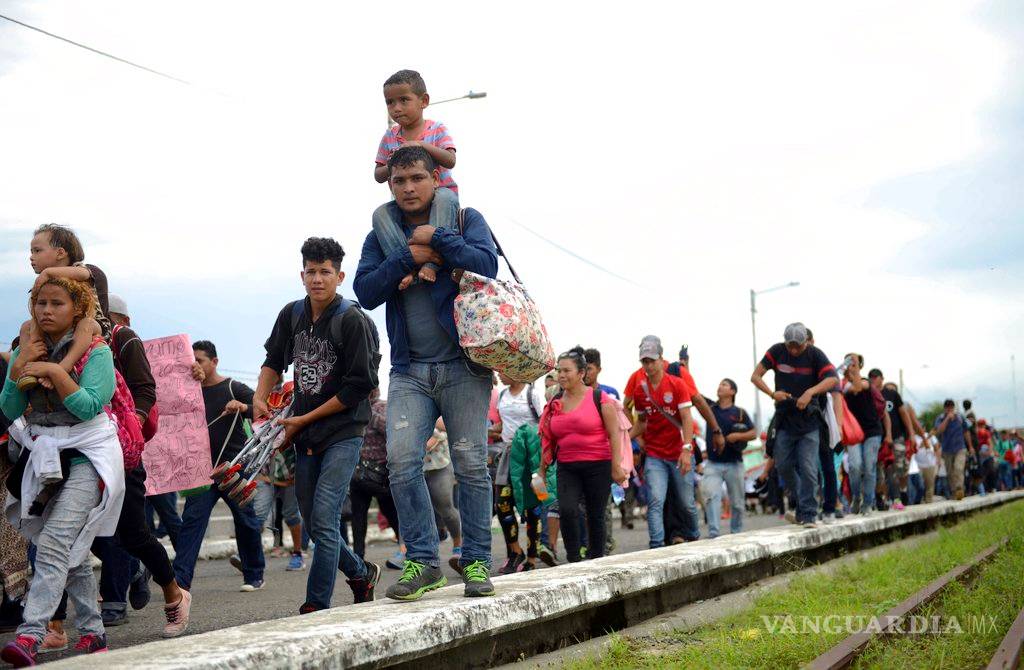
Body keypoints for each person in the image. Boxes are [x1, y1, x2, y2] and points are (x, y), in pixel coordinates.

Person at [354, 145, 498, 601]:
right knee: (399, 463)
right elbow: (365, 289)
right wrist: (407, 258)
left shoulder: (463, 217)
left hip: (464, 367)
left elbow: (487, 264)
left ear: (436, 178)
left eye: (417, 178)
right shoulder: (381, 234)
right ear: (390, 185)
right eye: (399, 181)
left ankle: (476, 561)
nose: (409, 187)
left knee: (472, 465)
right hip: (409, 371)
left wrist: (437, 241)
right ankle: (423, 562)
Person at [1, 277, 125, 664]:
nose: (47, 311)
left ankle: (30, 634)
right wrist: (20, 366)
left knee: (53, 542)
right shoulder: (28, 347)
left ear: (76, 310)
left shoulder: (97, 352)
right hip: (45, 457)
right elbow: (8, 409)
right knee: (64, 546)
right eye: (41, 303)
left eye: (57, 303)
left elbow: (89, 406)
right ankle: (92, 631)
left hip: (88, 457)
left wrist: (54, 372)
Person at [256, 237, 381, 613]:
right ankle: (360, 573)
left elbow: (361, 386)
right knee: (314, 523)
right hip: (303, 433)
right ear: (302, 275)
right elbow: (273, 360)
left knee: (324, 520)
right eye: (311, 271)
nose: (317, 279)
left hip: (343, 432)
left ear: (339, 276)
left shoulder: (352, 320)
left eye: (325, 272)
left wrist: (303, 418)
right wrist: (259, 400)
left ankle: (316, 605)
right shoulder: (291, 315)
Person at [86, 294, 191, 635]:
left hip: (121, 451)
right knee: (67, 533)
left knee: (133, 534)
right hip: (76, 452)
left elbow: (146, 391)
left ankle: (174, 594)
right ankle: (52, 626)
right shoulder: (53, 342)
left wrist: (127, 427)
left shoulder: (121, 340)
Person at [172, 341, 267, 594]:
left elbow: (264, 410)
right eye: (191, 361)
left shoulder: (233, 387)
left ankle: (254, 573)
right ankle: (180, 583)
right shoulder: (187, 392)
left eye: (200, 360)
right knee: (192, 521)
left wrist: (243, 407)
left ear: (214, 362)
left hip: (234, 468)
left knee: (246, 520)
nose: (195, 365)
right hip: (200, 469)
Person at [373, 69, 459, 290]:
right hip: (405, 205)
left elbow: (450, 159)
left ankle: (431, 263)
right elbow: (378, 174)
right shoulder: (390, 137)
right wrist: (393, 161)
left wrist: (420, 146)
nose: (396, 108)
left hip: (439, 196)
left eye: (404, 100)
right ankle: (408, 264)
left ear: (424, 101)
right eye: (390, 102)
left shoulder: (436, 129)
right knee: (380, 213)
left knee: (446, 197)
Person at [538, 348, 626, 562]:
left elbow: (614, 435)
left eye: (567, 370)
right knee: (567, 510)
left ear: (581, 373)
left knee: (595, 515)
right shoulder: (555, 403)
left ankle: (596, 558)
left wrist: (616, 466)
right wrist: (541, 469)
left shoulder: (600, 399)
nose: (561, 375)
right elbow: (548, 439)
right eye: (559, 370)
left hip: (598, 465)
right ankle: (574, 558)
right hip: (567, 466)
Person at [750, 323, 837, 528]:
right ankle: (802, 503)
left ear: (806, 342)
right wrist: (772, 393)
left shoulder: (815, 355)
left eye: (798, 346)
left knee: (808, 468)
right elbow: (755, 376)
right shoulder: (776, 352)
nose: (794, 350)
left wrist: (810, 392)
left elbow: (832, 379)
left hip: (809, 421)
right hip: (784, 419)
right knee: (783, 465)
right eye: (791, 346)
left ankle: (808, 513)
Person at [624, 336, 698, 547]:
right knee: (655, 500)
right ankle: (656, 545)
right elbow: (642, 423)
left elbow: (686, 418)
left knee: (687, 504)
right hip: (655, 454)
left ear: (661, 359)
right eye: (644, 361)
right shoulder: (640, 390)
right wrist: (625, 439)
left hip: (678, 452)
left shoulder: (677, 384)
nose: (648, 365)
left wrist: (686, 449)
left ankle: (694, 536)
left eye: (651, 360)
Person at [15, 225, 105, 393]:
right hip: (57, 330)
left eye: (37, 251)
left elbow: (85, 274)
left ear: (60, 253)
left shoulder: (82, 269)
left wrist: (48, 273)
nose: (31, 257)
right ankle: (31, 367)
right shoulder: (45, 284)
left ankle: (64, 366)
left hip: (92, 327)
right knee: (27, 326)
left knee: (85, 324)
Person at [492, 373, 545, 573]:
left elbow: (544, 424)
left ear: (514, 369)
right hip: (507, 453)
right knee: (502, 504)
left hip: (531, 456)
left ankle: (532, 559)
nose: (498, 373)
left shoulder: (533, 394)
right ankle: (515, 552)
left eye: (503, 369)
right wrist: (485, 430)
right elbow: (503, 425)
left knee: (534, 507)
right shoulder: (502, 395)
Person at [349, 389, 399, 560]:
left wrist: (368, 413)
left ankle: (406, 548)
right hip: (358, 473)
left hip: (380, 473)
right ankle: (358, 557)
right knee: (358, 517)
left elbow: (391, 430)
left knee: (390, 511)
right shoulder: (352, 408)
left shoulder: (383, 407)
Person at [701, 379, 756, 537]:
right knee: (711, 497)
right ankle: (713, 533)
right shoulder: (710, 408)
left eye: (724, 384)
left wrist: (738, 435)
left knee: (738, 502)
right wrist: (686, 367)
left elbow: (753, 433)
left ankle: (736, 533)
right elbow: (694, 394)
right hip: (713, 463)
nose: (720, 386)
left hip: (734, 463)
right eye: (719, 384)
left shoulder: (739, 413)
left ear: (733, 391)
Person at [841, 355, 891, 515]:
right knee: (855, 467)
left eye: (854, 363)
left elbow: (858, 387)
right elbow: (851, 388)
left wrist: (856, 370)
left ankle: (868, 503)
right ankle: (856, 497)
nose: (851, 365)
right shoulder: (843, 385)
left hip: (872, 431)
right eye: (849, 363)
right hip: (854, 433)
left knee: (869, 466)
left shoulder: (865, 382)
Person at [931, 399, 973, 500]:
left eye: (951, 407)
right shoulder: (940, 418)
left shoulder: (960, 417)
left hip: (960, 447)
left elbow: (966, 432)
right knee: (950, 472)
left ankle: (959, 488)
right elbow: (939, 431)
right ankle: (955, 492)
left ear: (953, 407)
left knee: (958, 468)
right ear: (944, 408)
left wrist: (970, 446)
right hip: (947, 449)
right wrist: (947, 419)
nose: (949, 409)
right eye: (947, 407)